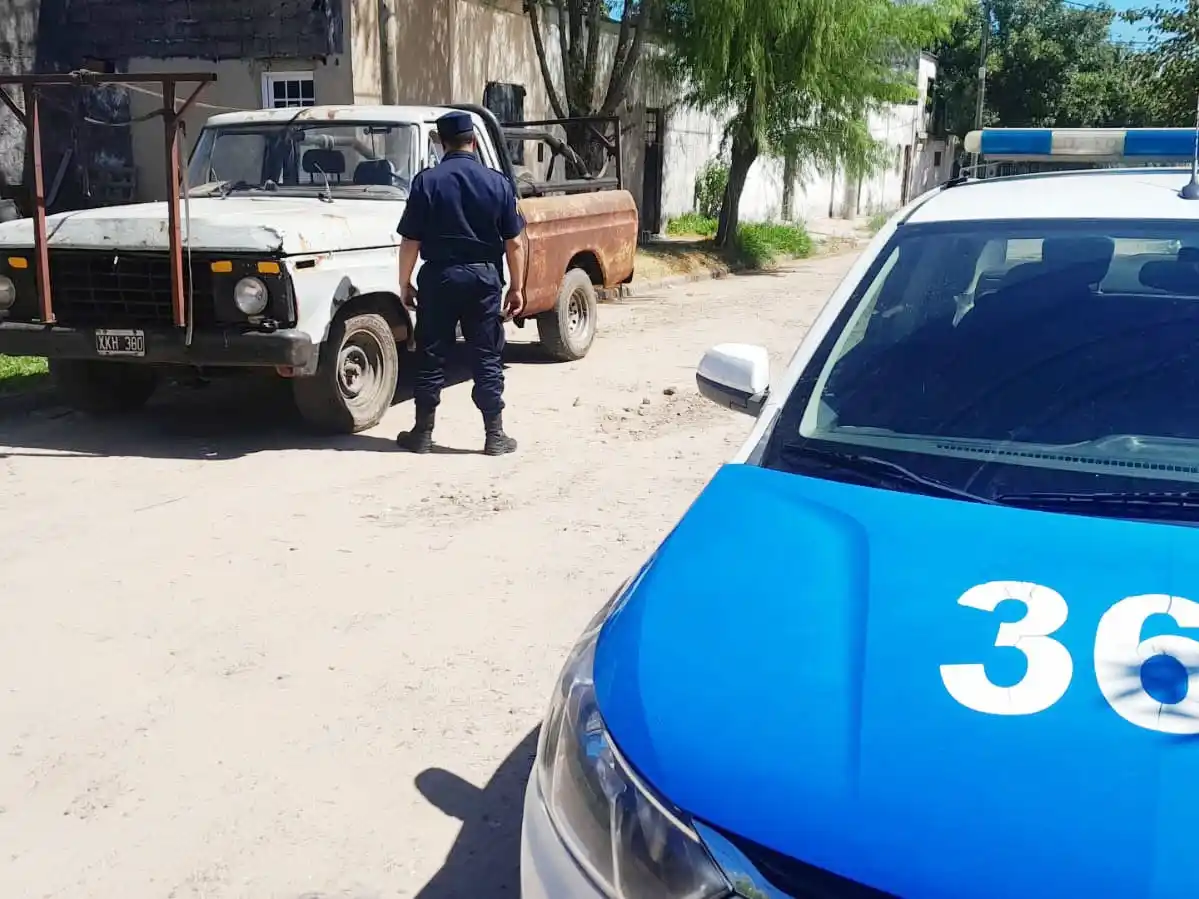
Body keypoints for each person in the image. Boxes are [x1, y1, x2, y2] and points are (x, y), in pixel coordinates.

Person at [394, 110, 526, 456]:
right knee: (486, 354)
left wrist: (404, 283)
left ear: (441, 142)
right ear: (475, 140)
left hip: (439, 278)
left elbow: (410, 241)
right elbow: (514, 242)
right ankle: (494, 436)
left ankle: (422, 434)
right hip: (483, 278)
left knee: (431, 354)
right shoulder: (497, 182)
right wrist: (517, 287)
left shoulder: (426, 182)